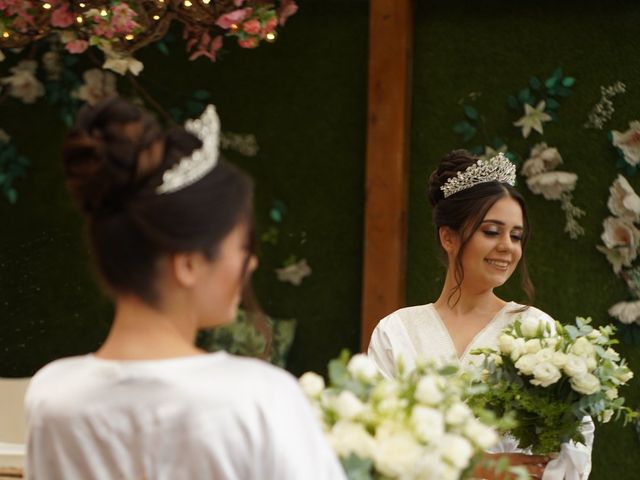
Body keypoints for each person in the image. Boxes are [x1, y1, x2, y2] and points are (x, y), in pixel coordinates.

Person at [25, 97, 345, 480]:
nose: (252, 263)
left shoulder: (52, 397)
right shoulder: (258, 399)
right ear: (189, 263)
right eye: (244, 247)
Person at [368, 150, 593, 480]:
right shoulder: (396, 331)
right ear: (449, 237)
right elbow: (376, 440)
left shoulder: (535, 329)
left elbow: (574, 442)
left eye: (516, 236)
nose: (507, 246)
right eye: (492, 231)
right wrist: (473, 468)